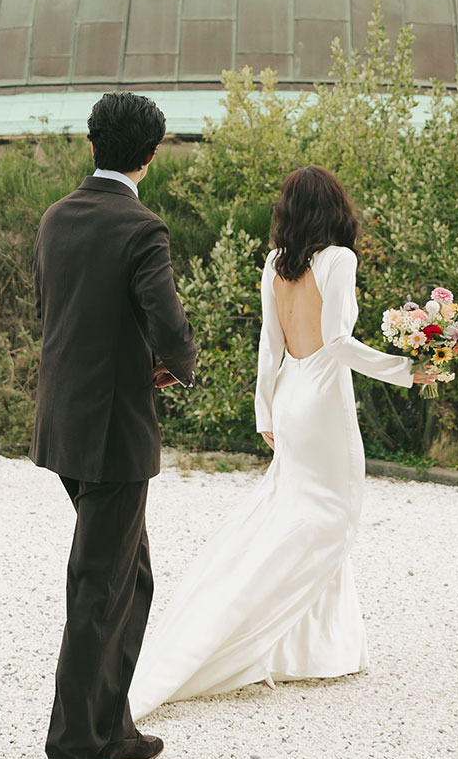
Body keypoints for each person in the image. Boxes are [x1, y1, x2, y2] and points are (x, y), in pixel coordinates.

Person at [127, 165, 434, 718]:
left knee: (301, 513)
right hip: (321, 403)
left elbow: (270, 345)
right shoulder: (339, 260)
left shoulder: (275, 264)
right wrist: (405, 370)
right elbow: (339, 341)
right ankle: (245, 627)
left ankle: (319, 647)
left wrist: (264, 408)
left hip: (290, 396)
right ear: (334, 208)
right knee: (331, 518)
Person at [30, 92, 196, 759]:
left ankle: (113, 724)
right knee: (100, 593)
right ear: (149, 155)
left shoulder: (56, 217)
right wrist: (174, 365)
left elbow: (61, 310)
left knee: (133, 577)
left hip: (63, 424)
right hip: (115, 433)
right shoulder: (142, 227)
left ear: (92, 143)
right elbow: (170, 324)